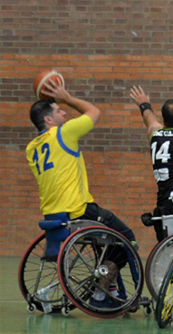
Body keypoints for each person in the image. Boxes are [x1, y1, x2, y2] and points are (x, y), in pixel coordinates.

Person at [26, 79, 137, 308]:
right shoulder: (63, 133)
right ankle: (101, 292)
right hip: (78, 210)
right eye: (59, 110)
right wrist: (66, 96)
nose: (65, 112)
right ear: (48, 119)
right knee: (127, 238)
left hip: (53, 215)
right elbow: (94, 112)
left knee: (107, 240)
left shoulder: (32, 148)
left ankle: (112, 288)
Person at [128, 86, 173, 240]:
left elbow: (149, 119)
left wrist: (144, 104)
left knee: (168, 251)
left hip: (162, 203)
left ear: (164, 118)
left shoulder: (154, 134)